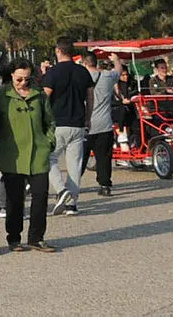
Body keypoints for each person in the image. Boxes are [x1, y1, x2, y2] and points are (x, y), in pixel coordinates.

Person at [0, 60, 58, 253]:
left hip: (38, 152)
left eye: (27, 78)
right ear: (12, 76)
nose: (23, 83)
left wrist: (49, 142)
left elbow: (49, 121)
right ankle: (14, 238)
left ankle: (36, 238)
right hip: (12, 154)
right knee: (15, 199)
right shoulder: (1, 96)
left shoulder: (39, 95)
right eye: (19, 79)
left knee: (40, 196)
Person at [43, 39, 93, 216]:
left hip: (57, 122)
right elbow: (90, 97)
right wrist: (88, 118)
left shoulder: (53, 73)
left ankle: (60, 189)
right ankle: (72, 204)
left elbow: (45, 97)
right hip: (78, 122)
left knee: (48, 158)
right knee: (75, 165)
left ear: (58, 51)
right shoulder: (83, 71)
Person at [82, 53, 118, 197]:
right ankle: (105, 185)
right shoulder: (107, 77)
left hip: (85, 124)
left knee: (79, 158)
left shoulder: (80, 78)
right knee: (104, 157)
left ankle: (71, 185)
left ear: (84, 63)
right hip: (104, 124)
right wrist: (116, 60)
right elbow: (119, 71)